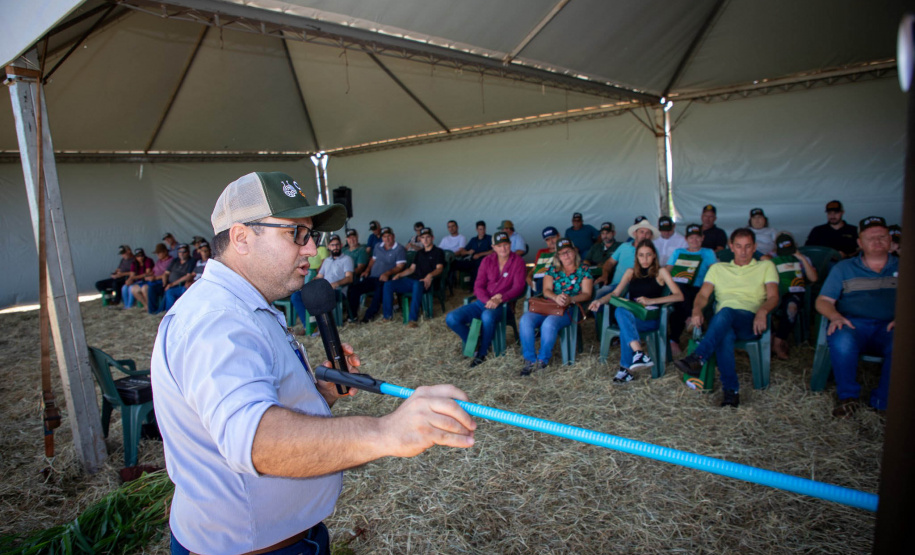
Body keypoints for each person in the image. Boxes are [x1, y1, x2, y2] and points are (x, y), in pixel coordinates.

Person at [151, 171, 475, 555]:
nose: (311, 250)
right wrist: (388, 432)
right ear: (241, 238)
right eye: (296, 235)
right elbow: (257, 440)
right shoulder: (215, 320)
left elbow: (262, 405)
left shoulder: (246, 307)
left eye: (312, 237)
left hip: (289, 539)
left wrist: (321, 393)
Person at [674, 228, 779, 408]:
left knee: (725, 312)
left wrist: (762, 311)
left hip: (750, 321)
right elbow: (703, 295)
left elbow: (773, 296)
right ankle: (731, 392)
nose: (743, 251)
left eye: (747, 246)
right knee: (725, 334)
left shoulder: (766, 266)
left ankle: (698, 357)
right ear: (731, 247)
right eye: (738, 246)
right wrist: (697, 309)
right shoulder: (718, 268)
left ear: (754, 247)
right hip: (723, 324)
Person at [815, 216, 896, 417]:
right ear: (860, 243)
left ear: (890, 240)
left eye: (882, 236)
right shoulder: (844, 268)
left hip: (891, 327)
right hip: (853, 324)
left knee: (904, 344)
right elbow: (822, 301)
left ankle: (883, 403)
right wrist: (835, 316)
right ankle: (848, 399)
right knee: (841, 338)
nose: (877, 241)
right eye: (870, 238)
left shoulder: (905, 266)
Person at [589, 240, 683, 383]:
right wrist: (599, 301)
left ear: (654, 256)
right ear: (636, 257)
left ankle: (626, 368)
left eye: (648, 255)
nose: (644, 259)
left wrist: (651, 301)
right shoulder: (630, 272)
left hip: (650, 319)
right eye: (641, 255)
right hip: (633, 317)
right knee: (621, 312)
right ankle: (638, 353)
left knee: (623, 320)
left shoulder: (661, 272)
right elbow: (615, 293)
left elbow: (679, 295)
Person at [446, 231, 526, 368]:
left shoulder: (518, 261)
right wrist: (487, 300)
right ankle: (475, 341)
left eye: (506, 244)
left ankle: (482, 353)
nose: (503, 248)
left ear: (510, 244)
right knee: (452, 318)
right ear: (493, 247)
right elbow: (478, 286)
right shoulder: (487, 260)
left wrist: (501, 298)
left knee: (487, 315)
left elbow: (519, 287)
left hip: (504, 306)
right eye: (499, 246)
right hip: (482, 302)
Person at [519, 238, 593, 375]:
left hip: (569, 308)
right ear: (557, 255)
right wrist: (555, 297)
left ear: (574, 251)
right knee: (525, 320)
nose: (566, 255)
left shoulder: (584, 269)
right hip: (549, 305)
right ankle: (530, 360)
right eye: (562, 253)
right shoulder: (552, 269)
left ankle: (542, 360)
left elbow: (587, 294)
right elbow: (546, 290)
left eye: (568, 251)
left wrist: (570, 299)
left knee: (549, 323)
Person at [665, 224, 718, 355]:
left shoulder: (708, 252)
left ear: (702, 238)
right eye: (691, 237)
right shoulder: (679, 252)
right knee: (679, 292)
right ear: (686, 239)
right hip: (679, 287)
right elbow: (667, 271)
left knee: (678, 307)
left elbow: (715, 271)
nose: (694, 240)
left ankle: (673, 340)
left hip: (700, 289)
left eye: (697, 237)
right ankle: (690, 318)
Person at [765, 233, 817, 360]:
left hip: (795, 294)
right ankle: (770, 339)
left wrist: (801, 258)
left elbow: (814, 278)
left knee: (791, 307)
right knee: (763, 304)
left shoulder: (802, 258)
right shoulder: (773, 257)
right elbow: (762, 261)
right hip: (776, 292)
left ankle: (778, 342)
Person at [381, 226, 445, 327]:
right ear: (420, 239)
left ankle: (412, 320)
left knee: (417, 284)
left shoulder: (438, 252)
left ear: (432, 238)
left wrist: (429, 275)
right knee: (388, 285)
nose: (425, 240)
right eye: (423, 237)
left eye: (428, 237)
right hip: (412, 280)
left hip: (425, 283)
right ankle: (387, 316)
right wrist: (399, 274)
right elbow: (411, 269)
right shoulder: (419, 253)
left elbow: (439, 268)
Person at [291, 234, 353, 333]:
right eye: (332, 245)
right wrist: (308, 286)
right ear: (329, 247)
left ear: (341, 245)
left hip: (336, 290)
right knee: (296, 296)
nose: (335, 247)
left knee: (318, 297)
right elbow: (319, 276)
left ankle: (321, 327)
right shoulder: (327, 261)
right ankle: (308, 326)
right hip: (322, 290)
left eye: (337, 245)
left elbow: (349, 278)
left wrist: (335, 284)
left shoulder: (346, 259)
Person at [347, 226, 406, 323]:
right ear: (381, 238)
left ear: (393, 236)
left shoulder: (399, 249)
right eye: (384, 237)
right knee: (354, 289)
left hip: (386, 279)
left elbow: (400, 266)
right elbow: (372, 260)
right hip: (372, 277)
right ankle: (352, 316)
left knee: (379, 293)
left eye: (389, 236)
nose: (386, 239)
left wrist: (387, 273)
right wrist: (367, 270)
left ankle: (368, 317)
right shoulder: (378, 246)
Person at [596, 216, 659, 295]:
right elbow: (610, 262)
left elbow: (654, 270)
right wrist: (604, 275)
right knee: (599, 293)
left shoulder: (652, 251)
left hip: (635, 287)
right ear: (635, 233)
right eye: (641, 232)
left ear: (651, 236)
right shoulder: (624, 246)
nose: (644, 235)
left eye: (647, 233)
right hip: (615, 285)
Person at [451, 220, 492, 288]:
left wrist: (480, 254)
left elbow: (494, 250)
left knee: (476, 265)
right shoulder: (473, 240)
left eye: (483, 229)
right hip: (472, 260)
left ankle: (473, 286)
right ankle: (452, 283)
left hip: (484, 260)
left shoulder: (489, 238)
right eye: (480, 229)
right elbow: (463, 251)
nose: (482, 231)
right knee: (454, 263)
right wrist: (468, 252)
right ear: (477, 230)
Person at [134, 243, 172, 313]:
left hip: (162, 281)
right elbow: (153, 271)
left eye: (159, 253)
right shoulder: (158, 261)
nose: (157, 255)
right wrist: (148, 276)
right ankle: (147, 307)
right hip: (153, 280)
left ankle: (152, 310)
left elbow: (167, 274)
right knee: (135, 288)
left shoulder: (171, 261)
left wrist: (155, 278)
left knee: (149, 288)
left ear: (165, 252)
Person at [161, 244, 196, 311]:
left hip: (181, 284)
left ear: (188, 252)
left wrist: (172, 284)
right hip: (169, 284)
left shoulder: (191, 261)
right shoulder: (175, 260)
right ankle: (158, 311)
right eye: (180, 251)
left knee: (169, 292)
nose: (181, 254)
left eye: (184, 251)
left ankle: (170, 312)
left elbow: (188, 276)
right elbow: (166, 273)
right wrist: (164, 283)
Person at [526, 226, 559, 294]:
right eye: (547, 239)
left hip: (558, 278)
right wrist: (529, 276)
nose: (551, 241)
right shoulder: (542, 252)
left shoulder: (564, 250)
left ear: (558, 236)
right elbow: (535, 268)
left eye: (553, 237)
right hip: (541, 279)